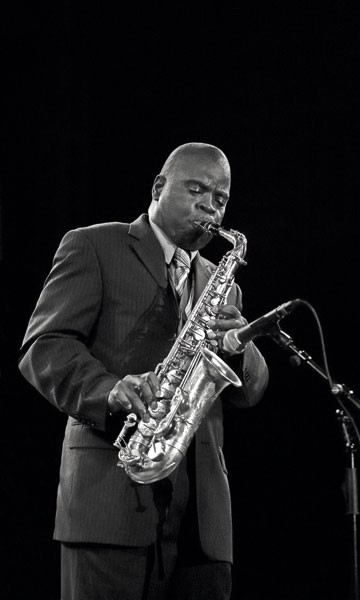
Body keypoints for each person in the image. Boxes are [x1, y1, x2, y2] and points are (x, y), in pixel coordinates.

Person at [18, 142, 269, 600]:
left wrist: (238, 348)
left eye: (220, 198)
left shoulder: (220, 279)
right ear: (159, 187)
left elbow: (249, 391)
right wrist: (109, 391)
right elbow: (44, 347)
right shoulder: (93, 245)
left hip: (202, 522)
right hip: (109, 503)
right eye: (197, 189)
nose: (209, 206)